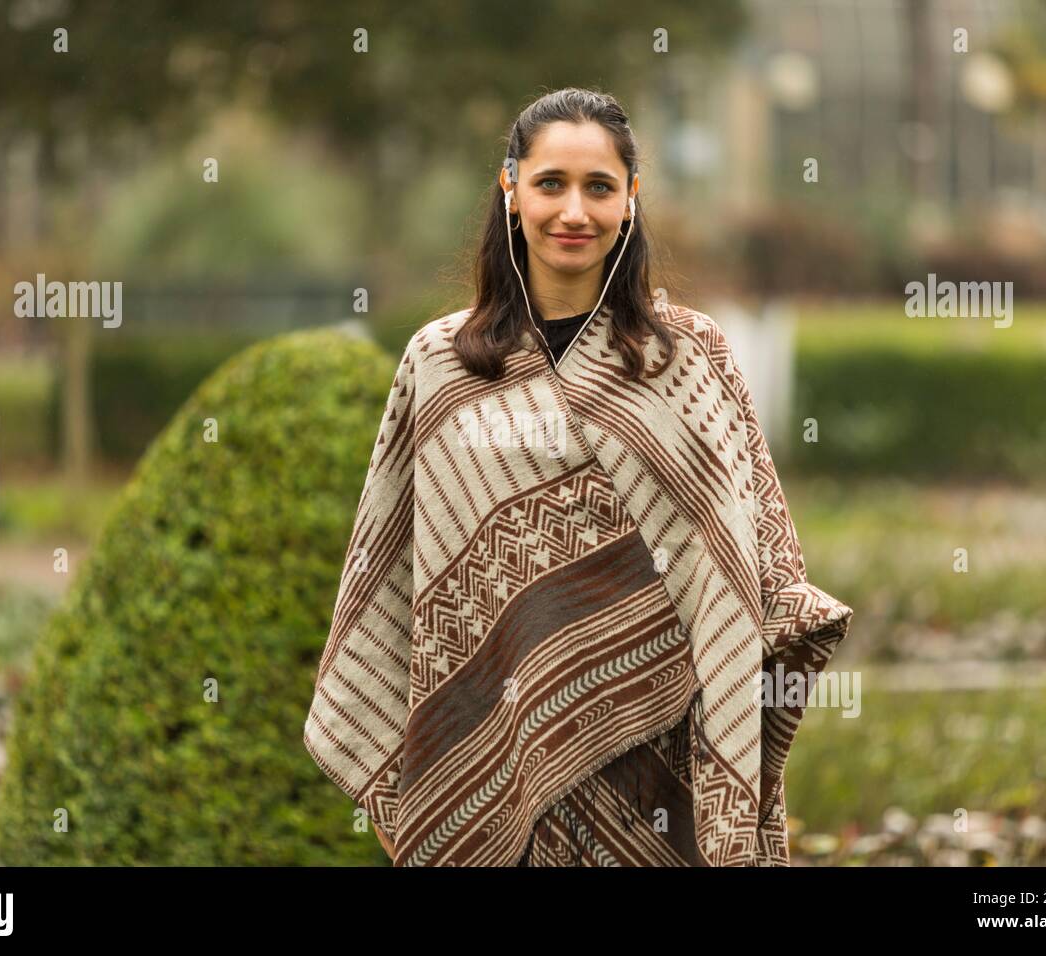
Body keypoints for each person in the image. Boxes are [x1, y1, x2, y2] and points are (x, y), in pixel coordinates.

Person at [304, 87, 853, 867]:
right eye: (551, 183)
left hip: (662, 758)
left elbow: (750, 558)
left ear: (630, 200)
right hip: (494, 751)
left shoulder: (690, 360)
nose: (574, 211)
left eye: (599, 187)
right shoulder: (441, 363)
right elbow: (388, 567)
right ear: (510, 188)